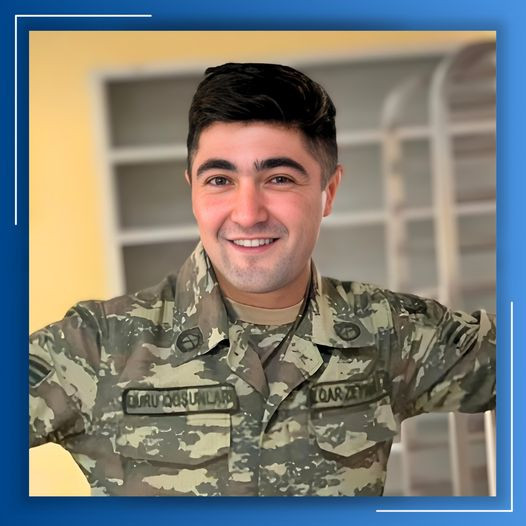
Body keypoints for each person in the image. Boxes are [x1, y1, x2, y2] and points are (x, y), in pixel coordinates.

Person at [29, 63, 496, 496]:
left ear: (329, 190)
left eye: (279, 179)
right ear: (193, 190)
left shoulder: (390, 332)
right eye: (219, 180)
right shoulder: (97, 347)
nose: (248, 214)